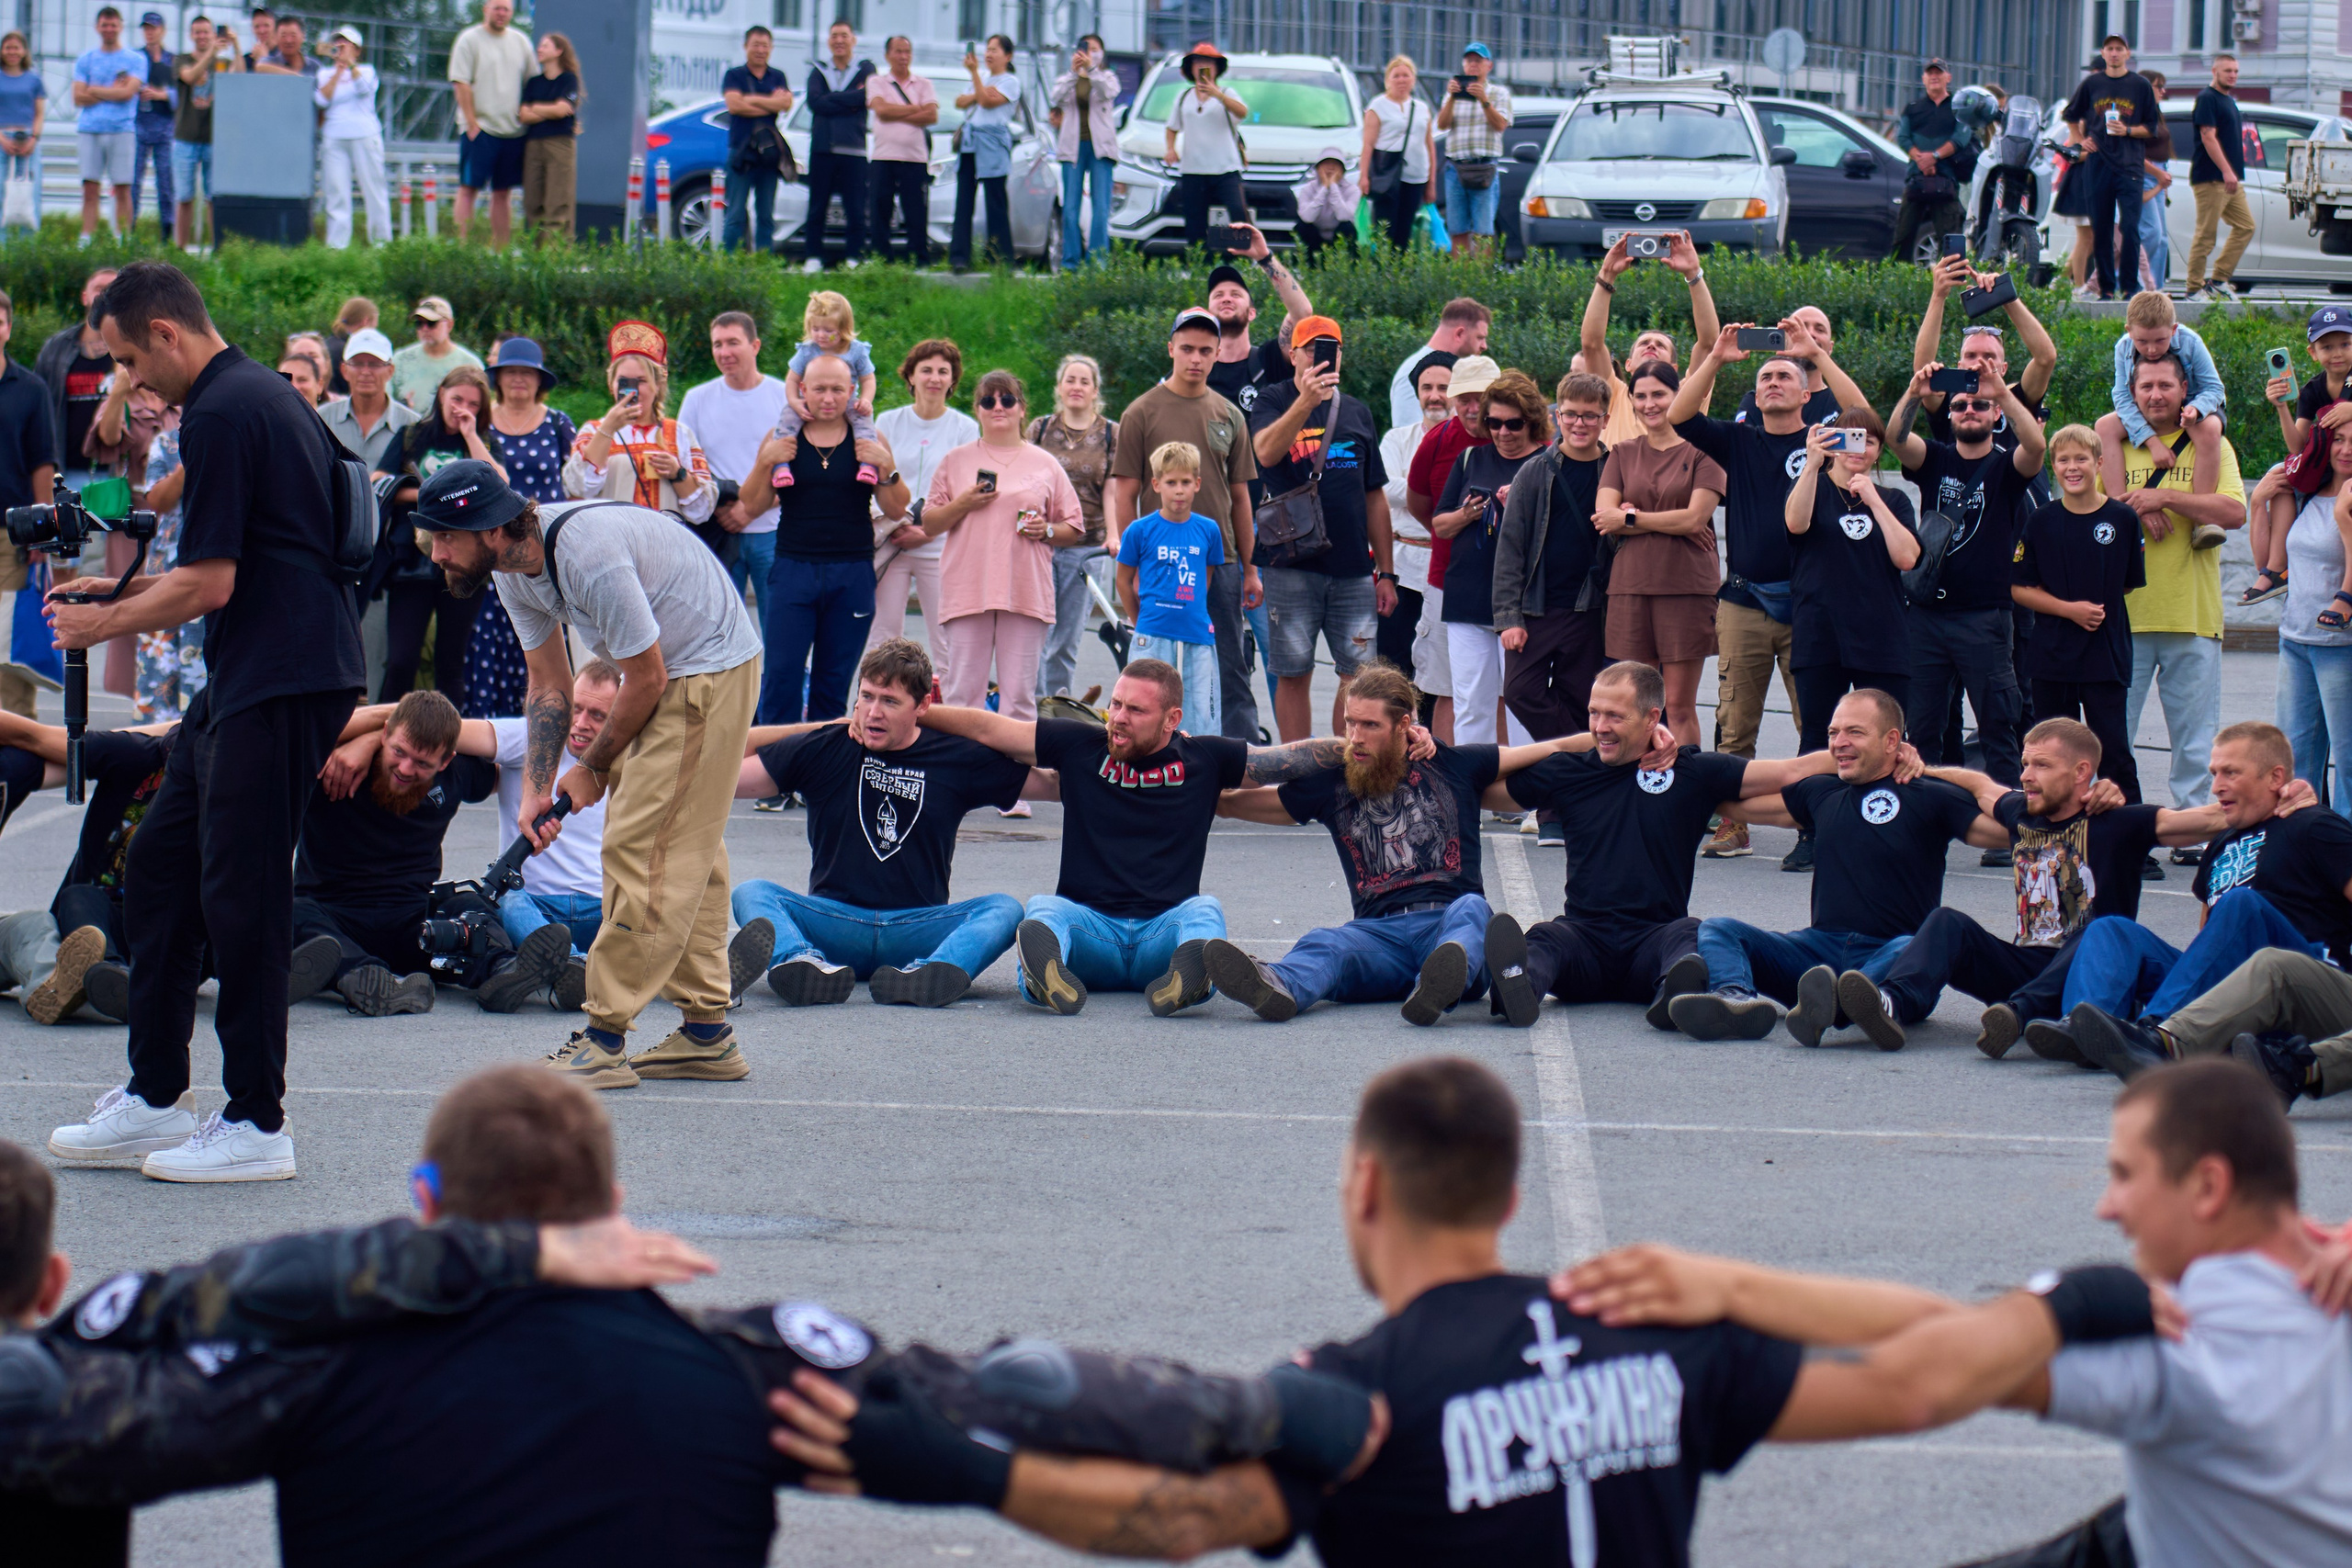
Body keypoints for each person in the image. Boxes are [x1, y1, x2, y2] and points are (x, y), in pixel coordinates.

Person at [796, 1056, 2171, 1563]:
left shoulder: (1355, 1389)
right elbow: (1926, 1376)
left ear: (1362, 1183)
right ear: (1511, 1192)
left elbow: (1189, 1518)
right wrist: (2078, 1291)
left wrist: (966, 1468)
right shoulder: (1653, 1324)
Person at [1542, 1060, 2352, 1568]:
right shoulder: (2324, 1280)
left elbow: (1935, 1373)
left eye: (2125, 1174)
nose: (2108, 1207)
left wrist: (1730, 1288)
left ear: (2209, 1186)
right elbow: (1985, 1337)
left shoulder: (2190, 1344)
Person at [43, 262, 366, 1182]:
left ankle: (258, 1124)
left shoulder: (224, 411)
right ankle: (153, 1098)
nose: (132, 385)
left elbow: (213, 582)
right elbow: (237, 563)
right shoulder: (255, 394)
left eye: (132, 363)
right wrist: (118, 590)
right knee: (159, 867)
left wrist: (105, 618)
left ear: (167, 335)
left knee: (244, 894)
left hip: (284, 673)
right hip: (253, 672)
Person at [414, 458, 766, 1090]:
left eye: (446, 536)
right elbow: (550, 686)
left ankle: (604, 1037)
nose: (436, 552)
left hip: (706, 668)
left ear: (493, 529)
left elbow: (649, 677)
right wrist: (538, 787)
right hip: (670, 668)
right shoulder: (514, 572)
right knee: (689, 847)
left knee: (641, 845)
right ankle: (706, 1033)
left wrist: (594, 767)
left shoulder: (583, 554)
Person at [918, 667, 1367, 1015]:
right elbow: (988, 728)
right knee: (1045, 911)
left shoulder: (1206, 758)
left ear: (1173, 719)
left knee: (1204, 910)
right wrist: (917, 711)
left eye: (1135, 711)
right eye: (1115, 705)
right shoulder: (1079, 745)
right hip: (1089, 931)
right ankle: (1043, 978)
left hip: (1163, 935)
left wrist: (1370, 742)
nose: (1118, 719)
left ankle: (1189, 978)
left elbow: (1286, 759)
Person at [1208, 663, 1597, 1025]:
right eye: (1350, 722)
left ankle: (1441, 979)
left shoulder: (1453, 764)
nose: (1356, 737)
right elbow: (1243, 804)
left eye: (1370, 725)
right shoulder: (1332, 783)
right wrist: (1196, 787)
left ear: (1404, 725)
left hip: (1446, 919)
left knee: (1473, 910)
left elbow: (1556, 748)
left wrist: (1631, 739)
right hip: (1378, 937)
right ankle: (1276, 984)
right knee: (1326, 942)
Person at [1877, 717, 2240, 1057]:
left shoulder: (2119, 822)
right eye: (2025, 764)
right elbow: (1977, 783)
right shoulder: (2021, 811)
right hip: (2026, 970)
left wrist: (2287, 793)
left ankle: (2020, 1015)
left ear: (2082, 772)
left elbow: (2211, 817)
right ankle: (1891, 1002)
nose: (2027, 776)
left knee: (2097, 926)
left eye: (2042, 766)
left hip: (2092, 976)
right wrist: (1917, 767)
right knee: (1946, 922)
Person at [1499, 662, 1835, 1020]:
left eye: (1615, 716)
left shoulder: (1690, 772)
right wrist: (1573, 742)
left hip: (1654, 941)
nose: (1600, 727)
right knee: (1546, 938)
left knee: (1689, 933)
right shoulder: (1570, 770)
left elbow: (1791, 772)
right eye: (1594, 713)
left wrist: (1885, 754)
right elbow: (1488, 786)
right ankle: (1517, 988)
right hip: (1583, 941)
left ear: (1651, 717)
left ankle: (1675, 996)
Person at [730, 639, 1037, 1009]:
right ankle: (800, 963)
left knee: (1005, 908)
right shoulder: (826, 745)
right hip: (834, 923)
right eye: (867, 697)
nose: (874, 713)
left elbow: (1053, 784)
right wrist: (820, 727)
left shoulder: (956, 757)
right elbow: (726, 771)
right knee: (751, 892)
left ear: (923, 706)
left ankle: (934, 973)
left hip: (916, 927)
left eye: (890, 701)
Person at [1678, 689, 1993, 1044]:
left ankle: (1853, 1001)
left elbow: (2004, 828)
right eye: (1833, 734)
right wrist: (1679, 781)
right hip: (1818, 952)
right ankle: (1733, 999)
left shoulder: (1930, 794)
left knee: (1919, 942)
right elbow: (1735, 804)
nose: (1840, 742)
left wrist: (1972, 779)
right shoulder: (1822, 792)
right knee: (1721, 928)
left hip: (1894, 954)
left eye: (1854, 732)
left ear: (1892, 741)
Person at [2057, 722, 2352, 1078]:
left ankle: (2158, 1034)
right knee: (2111, 930)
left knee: (2242, 904)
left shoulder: (2315, 825)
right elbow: (2208, 935)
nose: (2216, 786)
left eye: (2231, 773)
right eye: (2214, 773)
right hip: (2230, 992)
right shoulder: (2222, 840)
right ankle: (2085, 1033)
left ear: (2276, 778)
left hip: (2301, 985)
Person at [327, 675, 615, 1013]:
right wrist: (375, 735)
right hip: (533, 910)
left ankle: (522, 969)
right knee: (503, 902)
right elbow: (431, 728)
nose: (581, 723)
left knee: (651, 910)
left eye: (598, 715)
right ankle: (572, 967)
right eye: (575, 709)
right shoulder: (524, 738)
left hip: (603, 908)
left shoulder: (635, 758)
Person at [1668, 324, 1829, 862]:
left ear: (1807, 393)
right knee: (1735, 724)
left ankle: (1816, 824)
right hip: (1743, 602)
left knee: (1817, 722)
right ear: (1755, 394)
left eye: (1786, 374)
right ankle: (1732, 823)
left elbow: (1865, 416)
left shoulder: (1826, 439)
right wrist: (1715, 357)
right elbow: (1679, 416)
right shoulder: (1738, 439)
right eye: (1765, 377)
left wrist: (1817, 357)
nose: (1774, 382)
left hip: (1810, 602)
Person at [1886, 355, 2046, 788]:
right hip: (1927, 616)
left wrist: (2002, 394)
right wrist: (1916, 393)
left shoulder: (2006, 466)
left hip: (1985, 617)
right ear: (1951, 415)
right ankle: (1925, 818)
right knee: (1922, 729)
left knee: (1998, 725)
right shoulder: (1935, 460)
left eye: (1978, 405)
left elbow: (2035, 449)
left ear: (1995, 415)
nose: (1969, 411)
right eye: (1960, 406)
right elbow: (1896, 440)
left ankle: (2004, 824)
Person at [1108, 308, 1261, 741]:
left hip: (1220, 559)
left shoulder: (1230, 415)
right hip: (1159, 560)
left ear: (1217, 355)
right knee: (1151, 671)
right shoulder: (1141, 411)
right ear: (1171, 349)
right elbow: (1126, 491)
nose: (1196, 358)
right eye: (1188, 348)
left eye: (1206, 351)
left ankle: (1235, 760)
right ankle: (1146, 751)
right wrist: (1133, 560)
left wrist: (1249, 568)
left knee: (1226, 665)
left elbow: (1241, 497)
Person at [2111, 353, 2246, 825]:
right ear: (2132, 392)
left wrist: (2163, 496)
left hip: (2192, 615)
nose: (2156, 394)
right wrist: (2136, 510)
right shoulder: (2115, 442)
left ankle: (2192, 826)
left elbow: (2233, 513)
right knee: (2113, 736)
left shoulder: (2211, 443)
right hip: (2124, 616)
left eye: (2165, 385)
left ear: (2185, 389)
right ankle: (2119, 824)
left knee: (2195, 739)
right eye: (2146, 386)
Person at [741, 355, 906, 729]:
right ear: (803, 391)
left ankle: (821, 777)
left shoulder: (870, 438)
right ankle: (775, 774)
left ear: (852, 391)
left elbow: (896, 507)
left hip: (852, 571)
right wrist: (765, 463)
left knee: (833, 682)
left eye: (837, 389)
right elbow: (752, 506)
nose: (829, 398)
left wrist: (887, 468)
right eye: (819, 389)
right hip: (793, 569)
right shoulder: (782, 438)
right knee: (782, 676)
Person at [1250, 317, 1392, 740]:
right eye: (1311, 347)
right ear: (1292, 354)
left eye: (1331, 348)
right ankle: (1298, 771)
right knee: (1293, 672)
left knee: (1359, 677)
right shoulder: (1271, 399)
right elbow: (1267, 453)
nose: (1320, 355)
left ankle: (1345, 767)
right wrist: (1303, 402)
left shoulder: (1357, 410)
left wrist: (1386, 571)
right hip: (1290, 563)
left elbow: (1374, 497)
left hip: (1352, 568)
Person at [921, 370, 1080, 738]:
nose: (998, 407)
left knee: (1020, 699)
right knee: (962, 697)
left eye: (1007, 399)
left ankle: (1014, 788)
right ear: (976, 410)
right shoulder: (956, 460)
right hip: (967, 589)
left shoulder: (1045, 463)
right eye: (988, 400)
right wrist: (963, 502)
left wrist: (1048, 530)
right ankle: (962, 784)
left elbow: (1073, 527)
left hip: (1024, 590)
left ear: (1022, 409)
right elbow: (929, 524)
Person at [0, 709, 185, 1024]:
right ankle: (107, 975)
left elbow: (43, 744)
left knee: (29, 928)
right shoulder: (137, 755)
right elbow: (39, 740)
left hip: (178, 928)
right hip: (108, 921)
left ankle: (63, 981)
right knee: (79, 897)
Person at [2013, 423, 2148, 802]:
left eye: (2081, 459)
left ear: (2100, 463)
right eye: (2063, 460)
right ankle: (2054, 836)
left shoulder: (2122, 519)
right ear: (2053, 467)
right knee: (2052, 753)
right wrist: (2068, 610)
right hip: (2052, 658)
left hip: (2105, 655)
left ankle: (2129, 839)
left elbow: (2125, 582)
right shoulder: (2041, 520)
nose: (2073, 467)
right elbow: (2020, 587)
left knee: (2113, 752)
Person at [1593, 362, 1724, 749]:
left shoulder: (1705, 450)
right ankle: (1635, 787)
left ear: (1677, 395)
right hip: (1630, 588)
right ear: (1631, 402)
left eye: (1659, 394)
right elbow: (1605, 517)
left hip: (1685, 588)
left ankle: (1684, 791)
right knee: (1630, 704)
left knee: (1679, 706)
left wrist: (1631, 516)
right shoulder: (1622, 452)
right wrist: (1652, 519)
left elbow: (1696, 517)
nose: (1650, 404)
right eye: (1641, 396)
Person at [1784, 408, 1920, 754]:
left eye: (1869, 441)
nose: (1858, 449)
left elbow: (1907, 558)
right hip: (1820, 633)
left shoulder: (1894, 501)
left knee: (1888, 740)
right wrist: (1812, 464)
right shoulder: (1811, 485)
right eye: (1847, 439)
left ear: (1878, 451)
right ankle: (1816, 807)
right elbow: (1795, 524)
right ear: (1831, 443)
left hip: (1881, 638)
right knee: (1817, 739)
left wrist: (1872, 499)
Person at [1436, 368, 1548, 749]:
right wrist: (1469, 513)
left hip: (1523, 603)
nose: (1502, 432)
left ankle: (1523, 797)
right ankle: (1475, 793)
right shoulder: (1470, 458)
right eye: (1494, 422)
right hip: (1467, 595)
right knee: (1471, 704)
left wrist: (1517, 506)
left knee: (1521, 703)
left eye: (1513, 424)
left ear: (1531, 421)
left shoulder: (1549, 462)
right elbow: (1440, 524)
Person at [383, 366, 503, 702]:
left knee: (450, 664)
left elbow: (500, 483)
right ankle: (378, 738)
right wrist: (432, 497)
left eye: (473, 404)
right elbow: (380, 481)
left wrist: (470, 434)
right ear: (441, 395)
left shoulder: (483, 441)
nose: (462, 408)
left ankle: (454, 747)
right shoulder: (413, 435)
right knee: (401, 662)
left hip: (466, 563)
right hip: (413, 560)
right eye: (456, 399)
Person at [470, 337, 571, 719]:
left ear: (539, 379)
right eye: (510, 371)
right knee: (492, 645)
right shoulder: (480, 424)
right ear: (497, 378)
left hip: (544, 551)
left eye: (526, 373)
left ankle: (547, 723)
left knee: (546, 640)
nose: (518, 379)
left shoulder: (558, 423)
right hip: (492, 552)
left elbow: (579, 479)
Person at [1403, 354, 1500, 742]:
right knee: (1447, 689)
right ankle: (1446, 784)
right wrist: (1451, 532)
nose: (1473, 408)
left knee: (1507, 693)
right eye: (1464, 399)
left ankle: (1508, 791)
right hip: (1447, 581)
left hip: (1510, 584)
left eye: (1482, 397)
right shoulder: (1438, 439)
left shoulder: (1523, 433)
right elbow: (1418, 502)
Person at [869, 338, 973, 683]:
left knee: (946, 636)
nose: (934, 378)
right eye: (926, 369)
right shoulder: (888, 421)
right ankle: (876, 703)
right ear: (910, 376)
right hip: (893, 541)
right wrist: (892, 523)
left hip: (940, 543)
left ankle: (948, 712)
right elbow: (876, 478)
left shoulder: (965, 428)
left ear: (952, 380)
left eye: (943, 371)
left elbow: (965, 491)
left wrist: (928, 529)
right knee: (883, 633)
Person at [677, 311, 787, 611]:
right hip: (719, 529)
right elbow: (685, 464)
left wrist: (750, 509)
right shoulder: (697, 399)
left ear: (755, 346)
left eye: (733, 343)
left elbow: (799, 464)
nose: (724, 353)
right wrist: (722, 507)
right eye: (717, 345)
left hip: (774, 530)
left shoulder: (783, 397)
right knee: (721, 632)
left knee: (780, 627)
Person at [2246, 304, 2352, 606]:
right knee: (2283, 474)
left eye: (2345, 344)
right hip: (2328, 467)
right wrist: (2281, 407)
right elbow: (2297, 445)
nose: (2337, 353)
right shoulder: (2312, 389)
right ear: (2312, 352)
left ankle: (2345, 598)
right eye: (2327, 346)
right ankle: (2277, 568)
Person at [1115, 440, 1225, 732]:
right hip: (1152, 636)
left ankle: (1200, 775)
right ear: (1156, 484)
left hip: (1196, 636)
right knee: (1143, 712)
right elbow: (1123, 582)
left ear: (1197, 484)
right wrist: (1141, 624)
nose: (1179, 490)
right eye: (1171, 482)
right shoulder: (1139, 531)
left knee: (1201, 718)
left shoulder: (1208, 530)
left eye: (1186, 482)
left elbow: (1206, 578)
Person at [1577, 231, 1721, 447]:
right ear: (1628, 365)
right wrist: (1607, 274)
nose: (1651, 345)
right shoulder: (1614, 395)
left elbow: (1709, 343)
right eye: (1644, 344)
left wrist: (1693, 273)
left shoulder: (1685, 395)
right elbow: (1591, 344)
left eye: (1660, 346)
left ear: (1673, 368)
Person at [562, 320, 713, 523]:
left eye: (641, 381)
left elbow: (702, 512)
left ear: (657, 385)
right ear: (611, 384)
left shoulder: (679, 434)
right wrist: (608, 429)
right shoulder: (593, 431)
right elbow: (579, 489)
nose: (632, 391)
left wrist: (678, 474)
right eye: (624, 381)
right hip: (612, 545)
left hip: (664, 547)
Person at [1029, 353, 1115, 700]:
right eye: (1070, 380)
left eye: (1084, 381)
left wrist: (1113, 534)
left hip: (1086, 548)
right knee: (1036, 631)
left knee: (1066, 638)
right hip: (1040, 543)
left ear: (1095, 391)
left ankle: (1058, 709)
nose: (1077, 387)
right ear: (1059, 388)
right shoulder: (1040, 428)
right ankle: (1030, 708)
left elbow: (1112, 488)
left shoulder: (1111, 433)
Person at [2098, 292, 2227, 522]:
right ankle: (2121, 509)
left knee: (2208, 429)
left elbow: (2215, 388)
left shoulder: (2191, 342)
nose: (2151, 350)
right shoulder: (2122, 348)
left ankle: (2203, 518)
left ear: (2174, 329)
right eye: (2142, 342)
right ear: (2129, 330)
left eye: (2160, 340)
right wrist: (2151, 441)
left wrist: (2195, 410)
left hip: (2194, 405)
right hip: (2146, 408)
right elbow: (2122, 397)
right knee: (2104, 426)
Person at [2064, 33, 2162, 301]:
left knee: (2130, 228)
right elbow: (2070, 116)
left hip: (2129, 166)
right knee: (2102, 228)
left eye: (2120, 49)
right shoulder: (2092, 84)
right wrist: (2080, 141)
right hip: (2098, 164)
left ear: (2128, 54)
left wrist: (2127, 129)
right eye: (2110, 49)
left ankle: (2130, 288)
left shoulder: (2140, 85)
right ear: (2104, 54)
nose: (2115, 53)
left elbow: (2151, 128)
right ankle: (2106, 288)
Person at [1376, 350, 1449, 684]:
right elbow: (1385, 488)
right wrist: (1441, 493)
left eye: (1443, 387)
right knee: (1395, 665)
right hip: (1402, 565)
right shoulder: (1397, 439)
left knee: (1440, 670)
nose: (1434, 396)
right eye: (1427, 387)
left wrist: (1413, 492)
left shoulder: (1474, 444)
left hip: (1446, 566)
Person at [0, 288, 56, 720]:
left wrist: (41, 531)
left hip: (10, 536)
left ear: (8, 328)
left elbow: (42, 463)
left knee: (6, 643)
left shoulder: (31, 390)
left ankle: (15, 742)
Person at [447, 0, 532, 248]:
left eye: (506, 9)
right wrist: (472, 123)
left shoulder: (521, 42)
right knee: (468, 188)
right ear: (486, 8)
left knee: (503, 193)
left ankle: (501, 250)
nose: (501, 13)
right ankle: (462, 249)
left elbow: (531, 82)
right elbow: (460, 82)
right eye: (497, 7)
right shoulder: (469, 39)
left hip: (513, 132)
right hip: (480, 130)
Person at [1201, 235, 1316, 417]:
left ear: (1251, 313)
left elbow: (1303, 313)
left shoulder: (1268, 360)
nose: (1227, 298)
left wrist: (1264, 257)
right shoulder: (1194, 368)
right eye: (1218, 295)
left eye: (1236, 294)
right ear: (1208, 313)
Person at [772, 291, 879, 483]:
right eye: (815, 329)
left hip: (846, 401)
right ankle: (780, 466)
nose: (821, 335)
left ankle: (868, 464)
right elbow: (792, 380)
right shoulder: (807, 350)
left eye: (829, 331)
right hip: (812, 402)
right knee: (787, 418)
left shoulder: (855, 351)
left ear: (844, 328)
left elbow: (868, 379)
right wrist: (795, 402)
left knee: (864, 422)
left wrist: (865, 400)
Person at [799, 18, 872, 270]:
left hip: (854, 150)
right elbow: (815, 104)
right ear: (828, 41)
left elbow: (867, 97)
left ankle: (854, 257)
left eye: (844, 35)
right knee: (817, 205)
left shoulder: (865, 70)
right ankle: (813, 257)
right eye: (834, 36)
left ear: (853, 39)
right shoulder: (818, 71)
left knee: (856, 207)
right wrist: (849, 102)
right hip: (822, 150)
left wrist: (833, 99)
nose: (839, 40)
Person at [1161, 39, 1247, 249]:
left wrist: (1217, 94)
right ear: (1190, 68)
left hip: (1225, 167)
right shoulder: (1184, 97)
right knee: (1194, 219)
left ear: (1217, 68)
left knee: (1237, 212)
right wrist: (1170, 149)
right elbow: (1172, 127)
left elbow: (1242, 112)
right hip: (1193, 169)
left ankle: (1243, 256)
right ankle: (1200, 263)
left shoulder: (1226, 93)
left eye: (1208, 63)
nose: (1202, 66)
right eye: (1198, 62)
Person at [948, 35, 1021, 272]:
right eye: (987, 49)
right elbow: (960, 101)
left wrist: (977, 82)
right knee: (964, 202)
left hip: (992, 143)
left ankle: (1000, 258)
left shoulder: (1010, 81)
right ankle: (959, 257)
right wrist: (980, 90)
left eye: (995, 50)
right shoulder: (983, 80)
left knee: (995, 201)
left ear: (1007, 56)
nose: (989, 54)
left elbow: (988, 102)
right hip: (970, 143)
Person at [2186, 52, 2253, 301]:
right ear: (2215, 71)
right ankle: (2193, 288)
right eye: (2228, 71)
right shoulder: (2207, 98)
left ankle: (2219, 279)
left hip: (2230, 179)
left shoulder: (2229, 100)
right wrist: (2226, 170)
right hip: (2212, 178)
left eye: (2235, 71)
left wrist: (2232, 173)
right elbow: (2207, 136)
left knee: (2246, 226)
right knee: (2206, 234)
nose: (2233, 75)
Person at [313, 27, 388, 250]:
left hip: (365, 135)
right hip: (334, 138)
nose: (341, 48)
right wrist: (338, 71)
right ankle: (337, 247)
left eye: (346, 45)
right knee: (336, 194)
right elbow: (321, 100)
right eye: (337, 44)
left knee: (374, 191)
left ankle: (382, 245)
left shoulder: (366, 70)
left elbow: (364, 89)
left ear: (356, 49)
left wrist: (351, 66)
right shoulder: (324, 74)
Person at [719, 25, 791, 255]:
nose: (760, 50)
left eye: (765, 45)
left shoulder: (777, 76)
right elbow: (734, 105)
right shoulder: (734, 75)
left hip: (769, 155)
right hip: (741, 153)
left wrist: (749, 100)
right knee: (735, 214)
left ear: (771, 48)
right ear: (745, 47)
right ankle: (727, 265)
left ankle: (763, 266)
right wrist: (769, 102)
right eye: (755, 45)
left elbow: (785, 105)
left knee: (766, 215)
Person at [1891, 58, 1971, 262]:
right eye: (1930, 73)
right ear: (1923, 78)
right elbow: (1902, 137)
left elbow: (1961, 139)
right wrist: (1921, 160)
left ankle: (1953, 285)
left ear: (1948, 78)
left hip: (1946, 181)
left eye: (1939, 73)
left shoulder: (1958, 108)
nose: (1934, 76)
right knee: (1903, 237)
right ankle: (1898, 281)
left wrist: (1934, 157)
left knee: (1952, 241)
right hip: (1916, 179)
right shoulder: (1912, 107)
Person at [73, 8, 141, 243]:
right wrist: (113, 90)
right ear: (97, 27)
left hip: (122, 129)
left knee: (122, 188)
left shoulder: (134, 59)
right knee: (90, 188)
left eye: (113, 25)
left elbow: (128, 93)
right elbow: (77, 97)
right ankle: (86, 240)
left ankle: (123, 240)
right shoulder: (86, 59)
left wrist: (93, 89)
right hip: (90, 129)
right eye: (105, 25)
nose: (109, 29)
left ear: (120, 26)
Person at [1435, 41, 1510, 258]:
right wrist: (1450, 98)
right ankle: (1462, 278)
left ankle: (1481, 281)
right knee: (1457, 229)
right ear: (1463, 64)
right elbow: (1442, 124)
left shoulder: (1498, 93)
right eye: (1469, 61)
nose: (1473, 65)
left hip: (1484, 166)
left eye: (1478, 61)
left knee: (1484, 231)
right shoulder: (1453, 94)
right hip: (1456, 167)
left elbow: (1500, 125)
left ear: (1489, 66)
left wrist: (1484, 100)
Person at [167, 17, 234, 249]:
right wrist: (210, 55)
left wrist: (235, 46)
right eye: (198, 32)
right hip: (185, 138)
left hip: (214, 139)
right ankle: (180, 248)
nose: (202, 36)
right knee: (184, 197)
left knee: (213, 198)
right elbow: (190, 76)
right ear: (191, 34)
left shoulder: (222, 63)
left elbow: (240, 76)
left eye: (206, 32)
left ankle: (217, 248)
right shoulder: (181, 60)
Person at [1050, 35, 1116, 268]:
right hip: (1073, 147)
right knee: (1070, 207)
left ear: (1102, 53)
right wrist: (1073, 73)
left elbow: (1108, 92)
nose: (1090, 53)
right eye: (1085, 49)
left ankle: (1098, 263)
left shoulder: (1106, 76)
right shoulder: (1068, 78)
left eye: (1095, 49)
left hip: (1101, 149)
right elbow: (1055, 97)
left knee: (1100, 207)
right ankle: (1070, 262)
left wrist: (1092, 70)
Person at [866, 35, 933, 265]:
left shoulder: (924, 84)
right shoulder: (876, 82)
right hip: (883, 156)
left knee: (915, 212)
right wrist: (914, 109)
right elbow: (881, 111)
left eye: (907, 51)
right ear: (887, 55)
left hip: (914, 158)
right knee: (880, 210)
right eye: (898, 51)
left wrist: (899, 110)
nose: (903, 57)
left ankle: (918, 260)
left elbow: (931, 115)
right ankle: (881, 260)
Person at [1359, 54, 1432, 253]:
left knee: (1406, 225)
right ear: (1388, 80)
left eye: (1406, 75)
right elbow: (1368, 144)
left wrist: (1431, 180)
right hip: (1387, 173)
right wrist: (1364, 176)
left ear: (1413, 79)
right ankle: (1384, 267)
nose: (1401, 80)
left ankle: (1401, 269)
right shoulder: (1377, 106)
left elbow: (1429, 144)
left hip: (1415, 174)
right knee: (1385, 225)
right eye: (1396, 76)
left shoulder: (1421, 108)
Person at [318, 325, 412, 471]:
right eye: (357, 363)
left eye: (375, 364)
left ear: (390, 370)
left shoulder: (411, 424)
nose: (366, 371)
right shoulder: (322, 418)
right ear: (344, 370)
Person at [1387, 298, 1489, 432]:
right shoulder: (1413, 372)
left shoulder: (1461, 371)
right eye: (1480, 338)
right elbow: (1409, 442)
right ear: (1459, 334)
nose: (1484, 346)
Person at [517, 30, 579, 242]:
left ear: (558, 51)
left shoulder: (568, 80)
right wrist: (548, 109)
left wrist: (535, 107)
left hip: (560, 144)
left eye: (545, 46)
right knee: (533, 201)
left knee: (557, 199)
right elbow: (523, 115)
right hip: (534, 144)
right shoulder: (534, 83)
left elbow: (563, 109)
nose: (539, 49)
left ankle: (557, 254)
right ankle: (536, 253)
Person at [388, 296, 482, 414]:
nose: (425, 329)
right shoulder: (400, 360)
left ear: (449, 325)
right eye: (419, 324)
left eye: (431, 323)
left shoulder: (470, 365)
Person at [0, 30, 48, 246]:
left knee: (29, 193)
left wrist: (34, 138)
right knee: (3, 193)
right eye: (8, 47)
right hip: (3, 139)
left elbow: (39, 113)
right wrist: (2, 138)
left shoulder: (34, 80)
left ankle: (27, 248)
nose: (12, 51)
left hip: (28, 140)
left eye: (16, 47)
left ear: (24, 51)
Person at [129, 11, 174, 231]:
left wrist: (161, 94)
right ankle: (130, 227)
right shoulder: (135, 58)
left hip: (165, 126)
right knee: (133, 181)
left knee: (165, 182)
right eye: (146, 28)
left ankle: (168, 230)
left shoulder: (172, 60)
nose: (150, 32)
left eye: (154, 28)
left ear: (162, 31)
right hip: (139, 125)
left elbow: (181, 94)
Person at [2136, 72, 2173, 290]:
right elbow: (2133, 152)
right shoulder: (2138, 114)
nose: (2162, 91)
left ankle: (2154, 288)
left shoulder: (2155, 112)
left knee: (2162, 239)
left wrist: (2163, 174)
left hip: (2159, 172)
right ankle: (2133, 277)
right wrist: (2157, 173)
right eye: (2158, 86)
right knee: (2151, 232)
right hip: (2146, 174)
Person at [1291, 147, 1356, 256]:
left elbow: (1344, 216)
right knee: (1302, 227)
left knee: (1348, 227)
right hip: (1315, 235)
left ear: (1342, 170)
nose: (1330, 168)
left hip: (1338, 235)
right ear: (1318, 168)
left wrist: (1334, 186)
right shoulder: (1308, 189)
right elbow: (1307, 217)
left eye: (1335, 164)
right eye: (1326, 164)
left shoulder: (1352, 190)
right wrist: (1324, 188)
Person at [250, 13, 315, 79]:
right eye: (283, 36)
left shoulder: (314, 65)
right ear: (276, 37)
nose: (288, 41)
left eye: (293, 36)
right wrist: (297, 77)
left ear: (303, 37)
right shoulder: (271, 61)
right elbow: (260, 67)